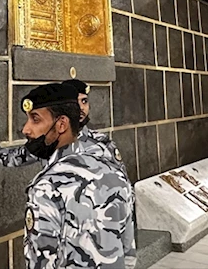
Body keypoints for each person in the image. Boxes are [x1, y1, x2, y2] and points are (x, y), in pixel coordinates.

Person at [21, 83, 134, 269]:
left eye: (35, 119)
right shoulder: (115, 172)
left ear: (61, 124)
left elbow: (40, 262)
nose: (26, 129)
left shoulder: (46, 188)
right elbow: (128, 250)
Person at [0, 80, 127, 177]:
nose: (81, 108)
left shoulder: (102, 143)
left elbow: (121, 186)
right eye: (76, 102)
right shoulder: (48, 143)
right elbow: (13, 157)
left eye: (85, 101)